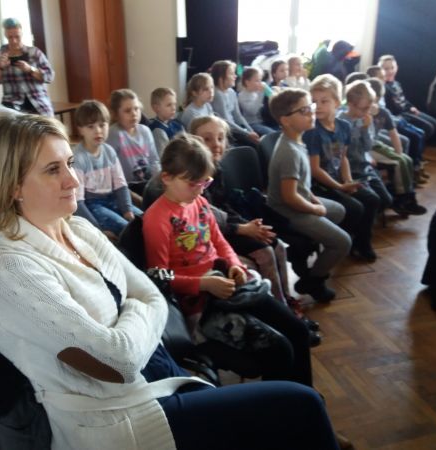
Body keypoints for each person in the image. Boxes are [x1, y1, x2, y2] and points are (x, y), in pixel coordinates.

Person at [0, 113, 341, 450]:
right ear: (13, 186)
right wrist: (138, 308)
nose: (73, 179)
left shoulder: (80, 230)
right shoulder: (11, 270)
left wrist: (131, 317)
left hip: (161, 377)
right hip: (122, 420)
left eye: (69, 163)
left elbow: (152, 295)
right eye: (53, 170)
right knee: (301, 406)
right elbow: (120, 362)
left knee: (292, 406)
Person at [143, 133, 314, 385]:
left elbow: (219, 242)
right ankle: (281, 403)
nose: (199, 189)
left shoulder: (200, 202)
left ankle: (305, 399)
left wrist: (234, 264)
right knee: (279, 350)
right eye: (192, 183)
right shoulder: (156, 219)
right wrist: (203, 284)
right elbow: (159, 277)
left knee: (298, 331)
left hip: (225, 284)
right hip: (202, 303)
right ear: (167, 178)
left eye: (205, 182)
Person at [190, 116, 321, 339]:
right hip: (212, 236)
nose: (216, 144)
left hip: (229, 226)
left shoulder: (216, 168)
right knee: (265, 251)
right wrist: (242, 229)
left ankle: (286, 304)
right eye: (207, 139)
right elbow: (208, 219)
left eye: (220, 138)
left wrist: (247, 224)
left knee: (276, 244)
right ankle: (282, 319)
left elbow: (225, 206)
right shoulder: (196, 177)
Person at [267, 88, 351, 302]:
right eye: (304, 110)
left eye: (310, 107)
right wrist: (315, 208)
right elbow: (289, 197)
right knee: (343, 242)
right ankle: (313, 281)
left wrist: (314, 200)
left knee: (339, 210)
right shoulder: (289, 152)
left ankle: (306, 247)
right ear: (286, 120)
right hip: (287, 212)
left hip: (300, 200)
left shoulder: (298, 139)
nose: (311, 113)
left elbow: (302, 186)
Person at [303, 75, 381, 263]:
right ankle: (342, 243)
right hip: (318, 185)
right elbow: (315, 169)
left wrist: (347, 180)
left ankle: (361, 243)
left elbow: (343, 157)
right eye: (314, 101)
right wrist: (340, 187)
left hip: (338, 179)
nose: (317, 106)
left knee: (372, 199)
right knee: (355, 208)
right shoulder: (313, 131)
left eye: (324, 101)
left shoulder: (344, 126)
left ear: (337, 102)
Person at [72, 100, 141, 238]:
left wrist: (127, 210)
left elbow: (121, 185)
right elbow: (78, 202)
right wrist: (97, 229)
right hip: (93, 205)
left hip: (113, 198)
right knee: (126, 229)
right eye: (91, 126)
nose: (98, 131)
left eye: (102, 125)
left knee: (144, 219)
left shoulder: (109, 151)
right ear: (80, 130)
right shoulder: (78, 158)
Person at [337, 80, 393, 230]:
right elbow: (342, 153)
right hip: (350, 169)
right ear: (350, 104)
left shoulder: (366, 119)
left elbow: (368, 147)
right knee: (372, 200)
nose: (367, 112)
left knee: (387, 200)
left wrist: (365, 128)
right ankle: (360, 228)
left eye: (369, 107)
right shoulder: (341, 121)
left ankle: (365, 221)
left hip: (364, 166)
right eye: (364, 108)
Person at [366, 78, 427, 215]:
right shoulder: (362, 113)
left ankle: (409, 197)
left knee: (406, 159)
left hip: (376, 144)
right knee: (398, 163)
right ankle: (400, 199)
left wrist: (399, 153)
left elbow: (393, 134)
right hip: (367, 148)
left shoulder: (383, 112)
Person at [0, 17, 54, 116]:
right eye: (10, 37)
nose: (14, 41)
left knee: (47, 123)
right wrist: (0, 68)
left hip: (38, 101)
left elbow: (50, 76)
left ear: (22, 34)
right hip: (11, 103)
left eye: (17, 37)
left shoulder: (35, 52)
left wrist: (30, 69)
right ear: (5, 35)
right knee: (6, 121)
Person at [106, 89, 160, 197]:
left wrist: (160, 180)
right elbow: (110, 171)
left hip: (148, 182)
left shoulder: (145, 131)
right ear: (116, 114)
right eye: (127, 111)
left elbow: (154, 161)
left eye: (136, 109)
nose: (134, 114)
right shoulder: (114, 134)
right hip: (127, 187)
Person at [378, 54, 436, 142]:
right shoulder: (383, 87)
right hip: (400, 114)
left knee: (434, 123)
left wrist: (411, 107)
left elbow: (403, 99)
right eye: (386, 69)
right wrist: (407, 110)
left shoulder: (397, 83)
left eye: (392, 68)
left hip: (406, 110)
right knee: (428, 127)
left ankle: (421, 144)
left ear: (397, 67)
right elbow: (392, 108)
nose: (390, 71)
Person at [210, 60, 260, 144]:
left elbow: (238, 115)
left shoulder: (231, 92)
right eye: (231, 74)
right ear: (221, 78)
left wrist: (251, 131)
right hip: (226, 131)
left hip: (236, 128)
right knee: (254, 143)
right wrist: (247, 134)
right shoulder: (217, 94)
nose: (235, 76)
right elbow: (226, 121)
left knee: (258, 140)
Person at [237, 66, 275, 136]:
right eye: (257, 81)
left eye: (260, 80)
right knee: (272, 134)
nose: (260, 83)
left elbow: (273, 96)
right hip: (252, 124)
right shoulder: (242, 96)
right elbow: (253, 111)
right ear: (247, 82)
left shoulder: (256, 92)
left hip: (263, 121)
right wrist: (261, 93)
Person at [149, 87, 185, 155]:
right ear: (156, 108)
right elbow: (163, 156)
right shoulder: (158, 130)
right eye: (169, 105)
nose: (173, 108)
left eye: (174, 104)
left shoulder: (177, 123)